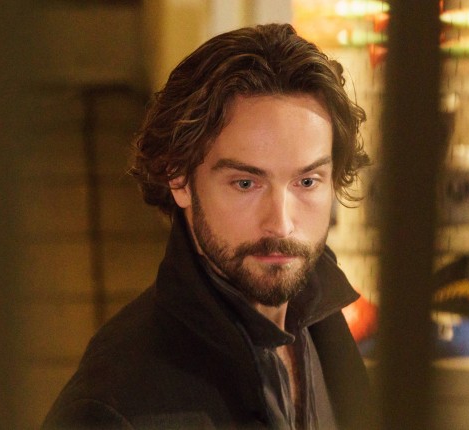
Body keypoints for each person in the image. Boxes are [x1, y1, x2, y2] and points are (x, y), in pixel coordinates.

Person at [43, 23, 374, 430]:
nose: (281, 224)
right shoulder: (112, 407)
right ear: (179, 179)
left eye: (306, 182)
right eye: (246, 183)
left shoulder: (318, 307)